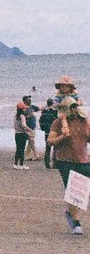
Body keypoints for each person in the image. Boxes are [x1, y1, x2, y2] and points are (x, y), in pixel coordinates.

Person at [46, 91, 88, 236]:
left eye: (75, 108)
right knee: (73, 190)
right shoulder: (58, 123)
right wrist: (63, 137)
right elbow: (50, 141)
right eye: (71, 108)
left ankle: (70, 214)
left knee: (84, 191)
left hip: (83, 159)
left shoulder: (84, 120)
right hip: (65, 160)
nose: (74, 111)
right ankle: (76, 223)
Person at [15, 95, 36, 169]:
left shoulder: (15, 116)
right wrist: (30, 130)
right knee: (22, 149)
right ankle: (21, 164)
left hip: (17, 134)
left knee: (18, 149)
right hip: (22, 134)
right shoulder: (22, 116)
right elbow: (24, 125)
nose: (24, 109)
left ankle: (15, 164)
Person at [41, 98, 60, 168]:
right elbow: (57, 122)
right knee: (55, 148)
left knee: (47, 149)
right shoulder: (55, 112)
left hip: (46, 132)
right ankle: (55, 164)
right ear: (52, 103)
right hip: (54, 132)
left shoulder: (43, 112)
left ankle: (47, 164)